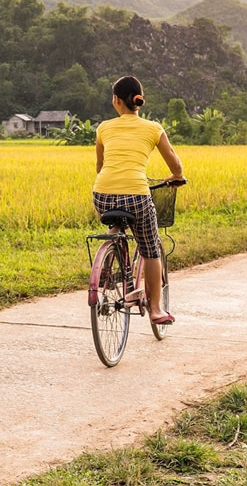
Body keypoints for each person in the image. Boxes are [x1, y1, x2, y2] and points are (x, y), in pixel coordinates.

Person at [93, 75, 184, 325]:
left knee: (116, 216)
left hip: (102, 195)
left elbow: (100, 167)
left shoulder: (103, 128)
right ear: (138, 101)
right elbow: (176, 164)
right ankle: (155, 309)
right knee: (150, 247)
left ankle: (110, 258)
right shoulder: (153, 128)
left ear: (116, 101)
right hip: (137, 195)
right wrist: (177, 176)